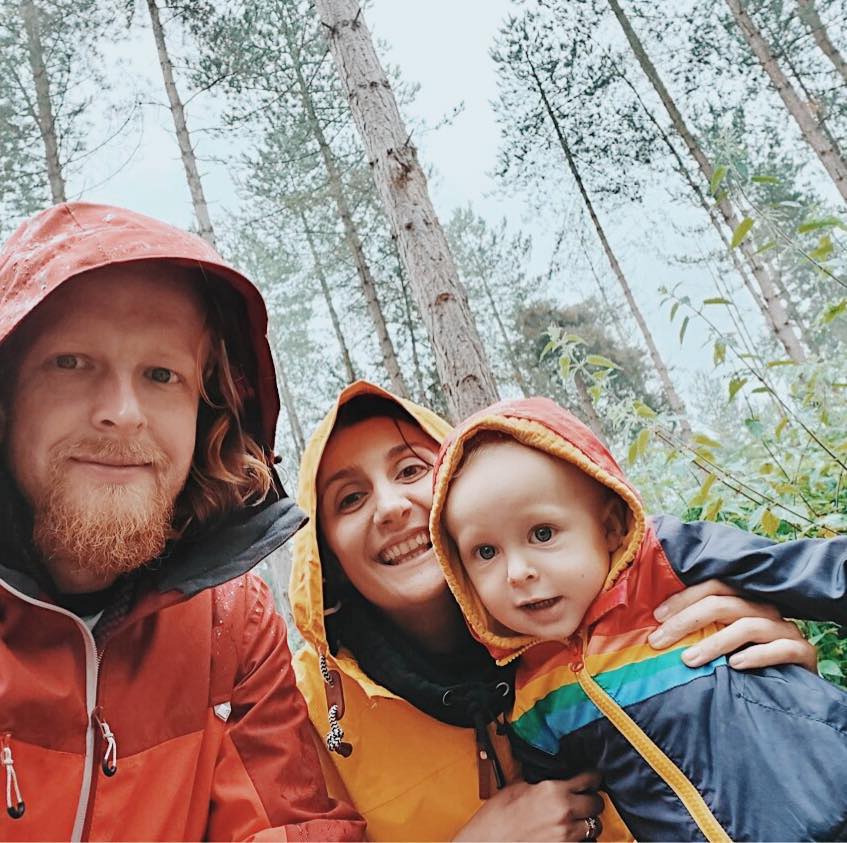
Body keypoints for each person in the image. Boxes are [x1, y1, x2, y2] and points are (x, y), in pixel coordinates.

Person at [289, 380, 819, 842]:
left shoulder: (629, 593)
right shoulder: (304, 711)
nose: (390, 507)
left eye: (410, 470)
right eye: (350, 499)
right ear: (326, 555)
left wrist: (778, 696)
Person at [0, 203, 364, 841]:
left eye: (162, 374)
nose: (122, 412)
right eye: (71, 362)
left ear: (207, 413)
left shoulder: (234, 624)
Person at [429, 396, 847, 841]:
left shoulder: (665, 562)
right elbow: (566, 812)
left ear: (610, 527)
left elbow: (808, 570)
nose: (518, 572)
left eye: (543, 533)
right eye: (485, 552)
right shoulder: (534, 700)